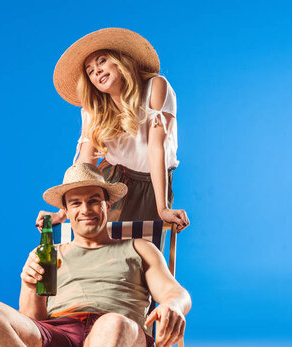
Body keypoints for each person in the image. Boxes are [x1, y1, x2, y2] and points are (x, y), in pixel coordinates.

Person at [0, 163, 192, 347]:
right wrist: (30, 286)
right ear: (65, 210)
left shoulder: (139, 248)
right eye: (75, 203)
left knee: (111, 324)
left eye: (94, 200)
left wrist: (174, 305)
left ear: (108, 204)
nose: (86, 209)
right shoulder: (47, 254)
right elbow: (34, 323)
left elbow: (175, 292)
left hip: (120, 332)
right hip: (59, 332)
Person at [36, 28, 190, 233]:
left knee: (147, 253)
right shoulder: (94, 110)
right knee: (104, 252)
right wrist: (62, 212)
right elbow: (85, 164)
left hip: (155, 183)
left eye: (101, 61)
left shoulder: (156, 87)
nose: (97, 71)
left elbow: (156, 148)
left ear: (120, 61)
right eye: (90, 71)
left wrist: (162, 208)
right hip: (114, 182)